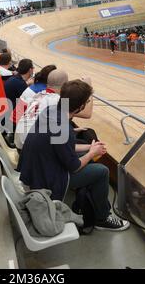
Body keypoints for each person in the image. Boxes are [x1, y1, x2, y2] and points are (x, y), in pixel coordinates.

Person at [17, 80, 130, 231]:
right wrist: (91, 153)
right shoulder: (63, 127)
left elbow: (61, 146)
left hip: (32, 172)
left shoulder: (50, 111)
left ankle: (88, 201)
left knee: (86, 154)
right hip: (44, 183)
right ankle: (102, 218)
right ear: (80, 106)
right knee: (102, 171)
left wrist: (90, 147)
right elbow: (74, 167)